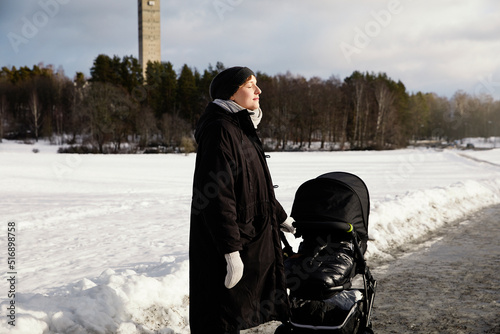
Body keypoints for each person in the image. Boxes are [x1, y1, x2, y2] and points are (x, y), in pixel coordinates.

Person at [189, 66, 295, 334]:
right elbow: (216, 198)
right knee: (220, 314)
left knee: (235, 314)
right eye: (250, 86)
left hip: (248, 234)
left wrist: (280, 216)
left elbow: (256, 185)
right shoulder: (219, 131)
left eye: (256, 84)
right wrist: (230, 252)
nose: (259, 91)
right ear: (231, 95)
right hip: (227, 243)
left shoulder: (241, 128)